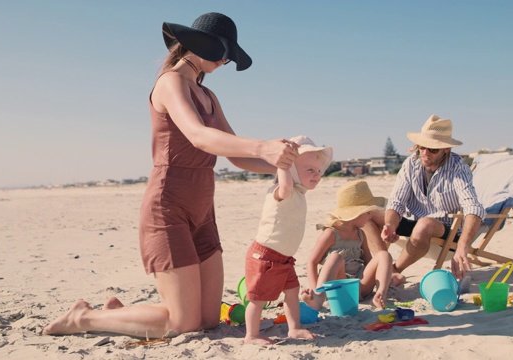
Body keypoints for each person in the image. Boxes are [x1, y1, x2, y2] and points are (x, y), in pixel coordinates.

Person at [42, 12, 299, 338]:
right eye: (223, 52)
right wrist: (264, 147)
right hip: (169, 206)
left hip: (203, 209)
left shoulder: (208, 95)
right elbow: (198, 136)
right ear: (200, 44)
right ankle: (83, 318)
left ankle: (122, 316)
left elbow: (234, 155)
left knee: (208, 321)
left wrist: (289, 167)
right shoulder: (170, 82)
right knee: (182, 324)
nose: (225, 61)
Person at [244, 135, 332, 345]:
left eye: (319, 171)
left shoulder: (299, 193)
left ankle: (295, 328)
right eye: (310, 170)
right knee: (258, 299)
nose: (317, 175)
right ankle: (251, 335)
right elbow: (285, 187)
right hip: (265, 256)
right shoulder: (283, 190)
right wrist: (282, 164)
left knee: (292, 293)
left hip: (283, 257)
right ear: (290, 169)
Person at [378, 114, 486, 280]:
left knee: (424, 224)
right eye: (422, 146)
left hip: (446, 231)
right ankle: (376, 266)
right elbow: (396, 202)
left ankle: (394, 270)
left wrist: (463, 246)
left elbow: (473, 208)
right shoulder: (411, 164)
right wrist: (390, 225)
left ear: (446, 149)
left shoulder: (458, 169)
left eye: (432, 149)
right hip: (415, 222)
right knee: (367, 215)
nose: (425, 153)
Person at [301, 180, 405, 310]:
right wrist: (314, 287)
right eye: (367, 212)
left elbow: (369, 262)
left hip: (360, 287)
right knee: (335, 257)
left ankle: (380, 295)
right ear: (354, 213)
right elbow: (312, 262)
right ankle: (319, 298)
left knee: (384, 255)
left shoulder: (360, 234)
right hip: (339, 286)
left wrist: (383, 276)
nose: (370, 216)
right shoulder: (331, 234)